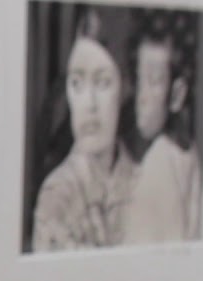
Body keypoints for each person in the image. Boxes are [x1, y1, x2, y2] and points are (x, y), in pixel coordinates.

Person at [32, 6, 137, 252]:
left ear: (125, 90)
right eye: (77, 83)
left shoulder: (145, 182)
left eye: (103, 82)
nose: (88, 103)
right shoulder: (57, 196)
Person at [123, 11, 202, 244]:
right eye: (138, 79)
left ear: (177, 95)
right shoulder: (186, 151)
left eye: (154, 81)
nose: (141, 96)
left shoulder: (160, 162)